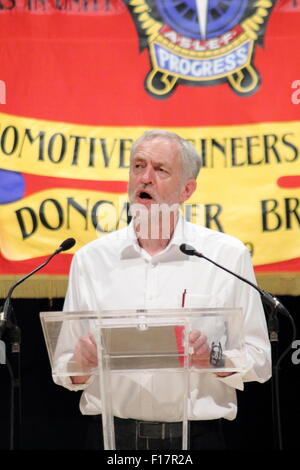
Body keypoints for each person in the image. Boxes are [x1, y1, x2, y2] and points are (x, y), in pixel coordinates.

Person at [53, 130, 271, 450]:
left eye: (160, 169)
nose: (145, 178)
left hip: (198, 439)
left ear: (187, 189)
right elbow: (64, 367)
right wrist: (81, 363)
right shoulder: (92, 259)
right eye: (138, 166)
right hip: (112, 439)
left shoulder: (225, 256)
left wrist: (209, 357)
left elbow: (260, 360)